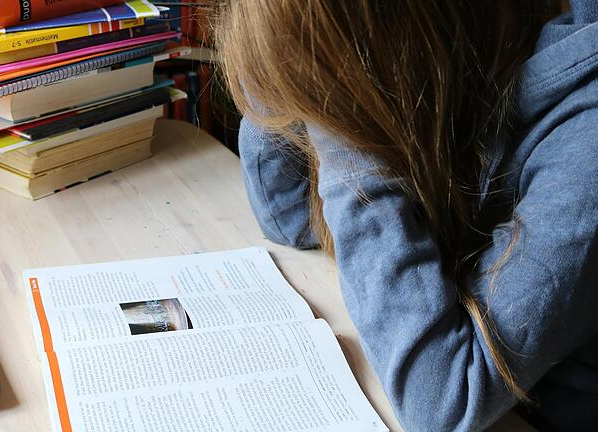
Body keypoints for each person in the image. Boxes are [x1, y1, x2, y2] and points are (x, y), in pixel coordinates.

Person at [215, 1, 598, 431]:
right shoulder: (469, 62)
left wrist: (346, 112)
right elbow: (288, 218)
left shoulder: (587, 134)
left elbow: (444, 406)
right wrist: (284, 63)